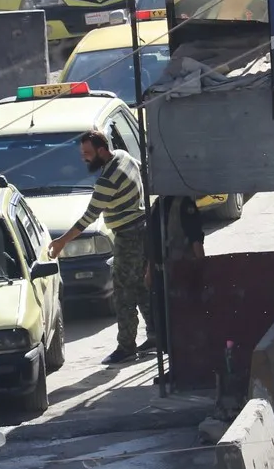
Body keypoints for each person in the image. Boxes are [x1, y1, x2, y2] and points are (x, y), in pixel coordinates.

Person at [48, 130, 151, 364]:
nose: (84, 158)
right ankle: (155, 335)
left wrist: (62, 241)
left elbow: (88, 218)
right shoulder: (124, 156)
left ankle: (126, 347)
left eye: (87, 153)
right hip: (142, 229)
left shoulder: (106, 181)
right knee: (141, 287)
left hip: (128, 237)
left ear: (102, 151)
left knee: (124, 294)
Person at [145, 195, 205, 357]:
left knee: (181, 322)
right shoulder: (158, 204)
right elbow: (153, 241)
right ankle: (172, 362)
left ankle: (183, 364)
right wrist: (149, 270)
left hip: (180, 273)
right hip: (159, 273)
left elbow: (196, 242)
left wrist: (203, 270)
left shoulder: (185, 205)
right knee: (164, 324)